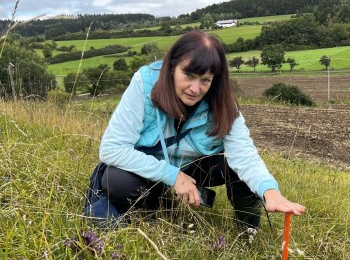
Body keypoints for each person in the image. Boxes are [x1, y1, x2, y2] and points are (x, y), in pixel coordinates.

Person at [84, 30, 305, 229]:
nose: (195, 88)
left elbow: (244, 156)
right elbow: (111, 149)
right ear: (172, 67)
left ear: (215, 80)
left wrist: (269, 190)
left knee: (237, 168)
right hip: (148, 166)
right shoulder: (144, 84)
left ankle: (247, 231)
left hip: (194, 166)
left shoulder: (223, 103)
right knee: (118, 183)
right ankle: (161, 204)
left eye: (205, 80)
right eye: (188, 75)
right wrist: (172, 176)